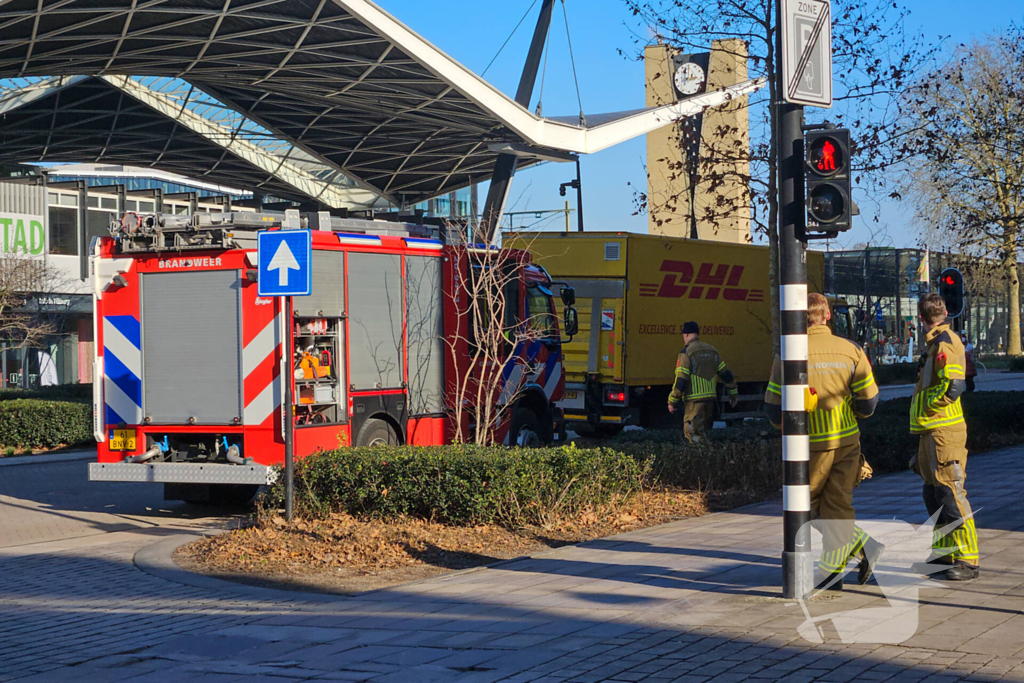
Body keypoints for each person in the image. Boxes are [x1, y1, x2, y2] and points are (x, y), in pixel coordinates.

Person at [765, 293, 885, 592]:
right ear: (827, 315)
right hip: (846, 441)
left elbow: (773, 409)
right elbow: (868, 402)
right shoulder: (851, 350)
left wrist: (786, 425)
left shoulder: (788, 352)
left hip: (807, 446)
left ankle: (846, 561)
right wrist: (852, 414)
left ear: (798, 317)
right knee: (837, 505)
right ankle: (845, 562)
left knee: (803, 507)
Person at [912, 294, 978, 581]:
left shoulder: (944, 342)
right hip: (932, 430)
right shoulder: (935, 343)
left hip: (943, 430)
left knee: (950, 493)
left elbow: (954, 386)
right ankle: (944, 555)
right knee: (934, 494)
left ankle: (968, 560)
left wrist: (930, 408)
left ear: (920, 317)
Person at [667, 321, 738, 444]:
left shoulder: (686, 353)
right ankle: (709, 453)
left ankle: (706, 455)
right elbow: (726, 374)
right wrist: (733, 394)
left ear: (686, 334)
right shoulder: (712, 351)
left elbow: (681, 380)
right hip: (710, 400)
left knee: (693, 435)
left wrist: (672, 401)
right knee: (701, 433)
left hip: (694, 401)